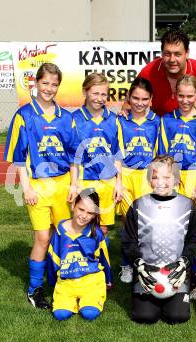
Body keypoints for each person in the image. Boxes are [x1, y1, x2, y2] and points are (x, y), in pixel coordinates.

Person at [4, 63, 78, 309]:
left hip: (63, 184)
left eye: (54, 84)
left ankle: (62, 283)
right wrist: (26, 188)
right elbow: (18, 157)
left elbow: (74, 156)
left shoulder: (66, 117)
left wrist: (74, 185)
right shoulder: (24, 115)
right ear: (35, 84)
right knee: (43, 237)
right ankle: (35, 289)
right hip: (37, 185)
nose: (49, 88)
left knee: (65, 237)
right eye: (45, 83)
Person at [121, 155, 196, 324]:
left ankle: (177, 296)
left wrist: (184, 261)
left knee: (178, 317)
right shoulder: (137, 206)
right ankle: (146, 296)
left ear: (176, 179)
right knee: (144, 317)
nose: (161, 182)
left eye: (167, 177)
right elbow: (128, 241)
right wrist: (138, 263)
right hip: (147, 273)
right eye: (155, 177)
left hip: (176, 273)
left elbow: (195, 239)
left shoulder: (188, 206)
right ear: (149, 180)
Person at [117, 77, 161, 283]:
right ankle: (126, 264)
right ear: (128, 98)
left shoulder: (156, 121)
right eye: (135, 98)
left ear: (151, 100)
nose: (139, 103)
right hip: (125, 174)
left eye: (144, 99)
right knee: (128, 223)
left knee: (147, 224)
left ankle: (145, 263)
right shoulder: (120, 120)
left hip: (146, 176)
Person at [47, 189, 111, 321]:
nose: (84, 215)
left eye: (90, 213)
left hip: (90, 281)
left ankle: (90, 299)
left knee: (89, 313)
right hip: (67, 282)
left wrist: (108, 280)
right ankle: (68, 300)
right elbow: (53, 258)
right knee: (60, 314)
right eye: (81, 209)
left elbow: (104, 258)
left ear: (94, 215)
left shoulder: (96, 233)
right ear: (73, 206)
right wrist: (52, 281)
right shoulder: (59, 232)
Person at [72, 73, 123, 240]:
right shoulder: (74, 119)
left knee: (103, 228)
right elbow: (72, 156)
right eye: (95, 93)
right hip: (84, 180)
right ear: (85, 91)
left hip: (107, 181)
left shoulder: (113, 119)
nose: (99, 98)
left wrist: (118, 182)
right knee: (81, 225)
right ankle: (82, 263)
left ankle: (101, 263)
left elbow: (117, 154)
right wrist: (75, 184)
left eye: (103, 94)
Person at [136, 28, 196, 116]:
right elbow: (129, 105)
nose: (172, 59)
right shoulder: (149, 72)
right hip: (161, 127)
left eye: (177, 54)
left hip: (195, 128)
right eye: (167, 54)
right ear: (162, 53)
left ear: (187, 53)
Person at [158, 74, 196, 200]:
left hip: (194, 175)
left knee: (192, 216)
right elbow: (162, 151)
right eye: (181, 96)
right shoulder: (166, 119)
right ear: (175, 94)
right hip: (170, 173)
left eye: (190, 96)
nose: (185, 100)